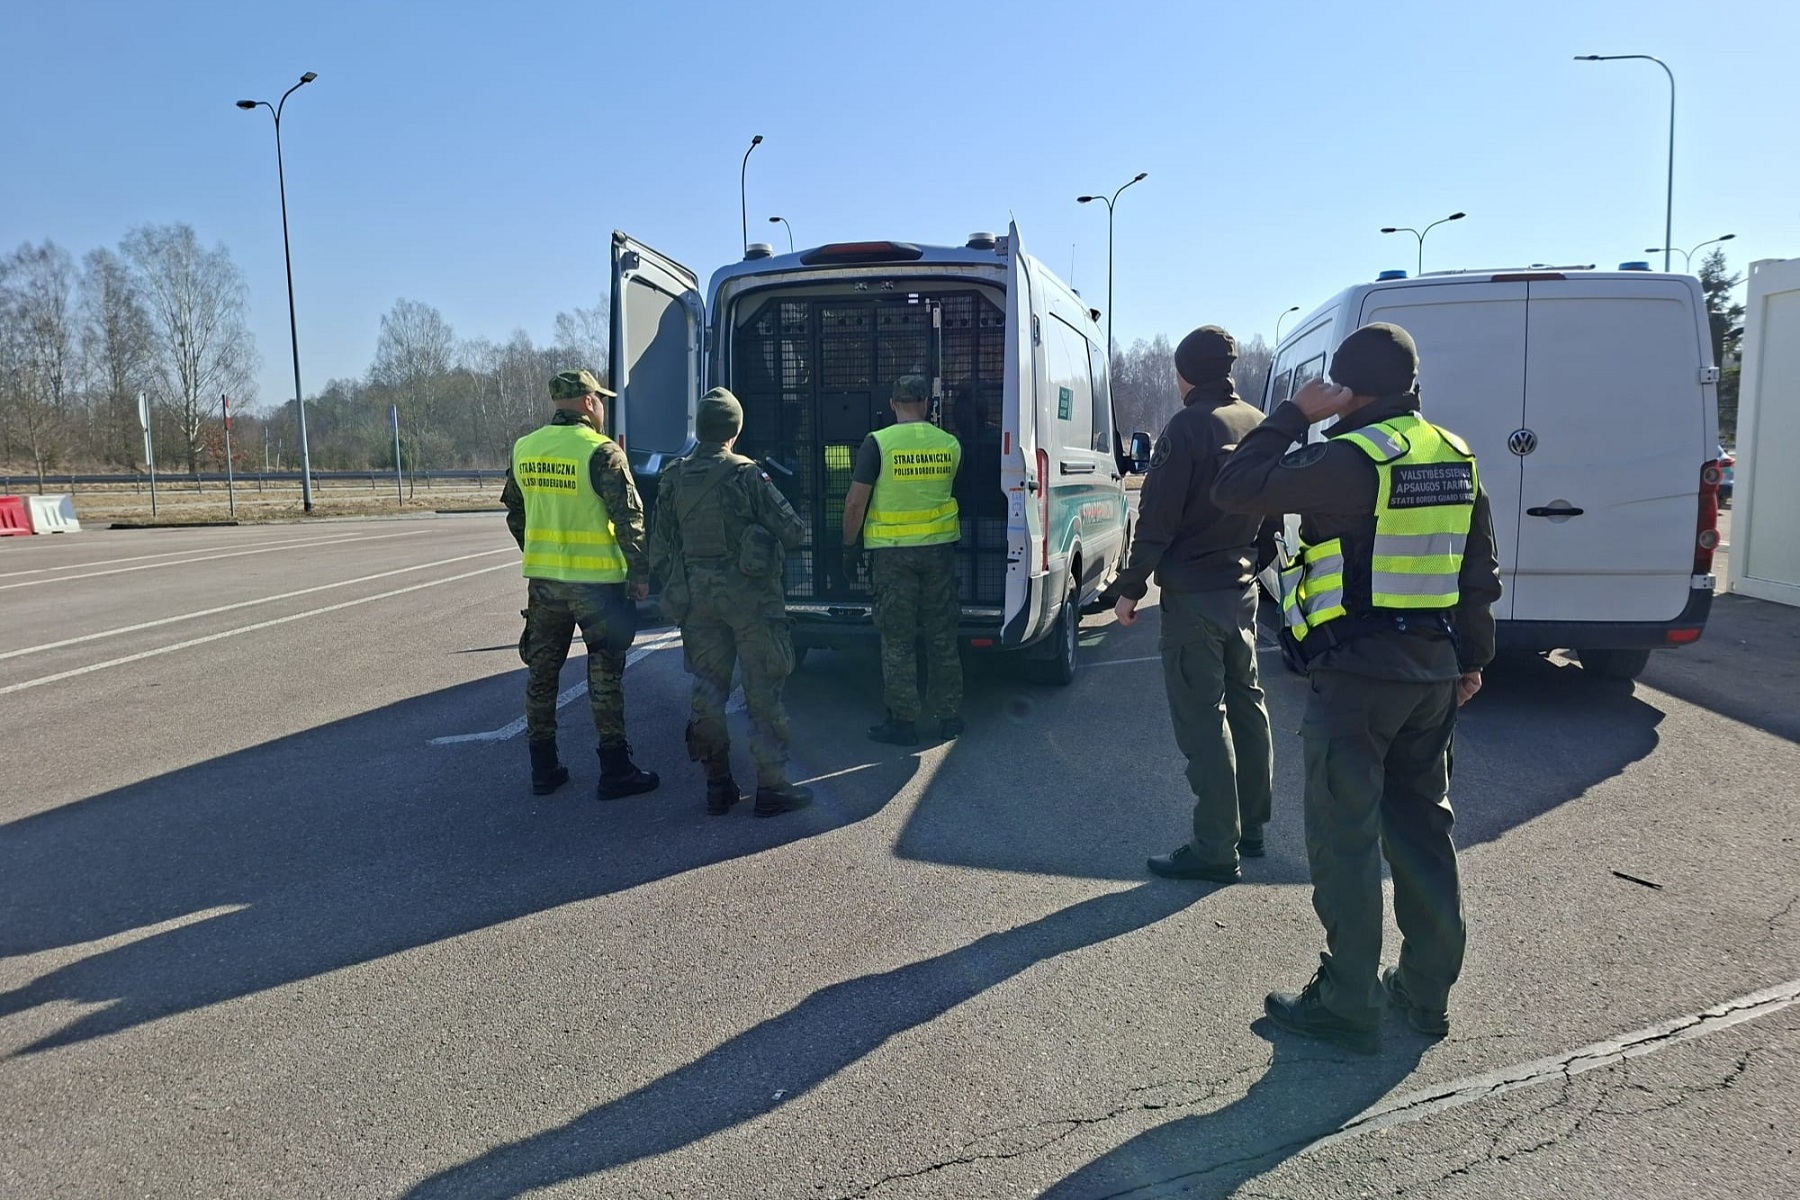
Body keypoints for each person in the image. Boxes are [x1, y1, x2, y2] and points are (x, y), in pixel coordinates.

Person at [1212, 323, 1502, 1055]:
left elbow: (1234, 488)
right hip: (1432, 673)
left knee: (1345, 838)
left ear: (1344, 389)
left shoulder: (1352, 457)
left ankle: (1348, 1001)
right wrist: (1472, 659)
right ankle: (1426, 993)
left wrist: (1292, 413)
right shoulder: (1454, 453)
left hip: (1358, 677)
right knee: (1424, 831)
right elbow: (1477, 572)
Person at [1109, 326, 1275, 885]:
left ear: (1184, 373)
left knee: (1203, 719)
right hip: (1241, 590)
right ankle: (1251, 828)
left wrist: (1131, 587)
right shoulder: (1258, 423)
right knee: (1247, 705)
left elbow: (1158, 517)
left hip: (1195, 595)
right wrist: (1250, 561)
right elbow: (1272, 514)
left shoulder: (1186, 428)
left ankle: (1214, 847)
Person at [648, 388, 814, 818]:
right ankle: (772, 786)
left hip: (697, 603)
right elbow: (793, 531)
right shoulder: (748, 475)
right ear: (734, 432)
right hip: (752, 602)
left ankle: (717, 785)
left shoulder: (672, 477)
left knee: (707, 693)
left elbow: (659, 549)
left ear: (699, 428)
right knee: (763, 691)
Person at [502, 368, 659, 801]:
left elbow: (515, 512)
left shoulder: (525, 447)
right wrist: (639, 574)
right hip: (598, 584)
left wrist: (536, 550)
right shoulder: (602, 452)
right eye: (600, 400)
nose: (602, 407)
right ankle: (615, 769)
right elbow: (630, 519)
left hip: (545, 583)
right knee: (605, 673)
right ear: (589, 402)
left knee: (542, 673)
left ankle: (543, 768)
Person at [841, 374, 964, 746]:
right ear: (926, 403)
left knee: (898, 638)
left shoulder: (878, 444)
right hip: (939, 553)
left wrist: (849, 546)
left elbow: (855, 503)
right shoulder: (950, 445)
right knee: (942, 636)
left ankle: (903, 722)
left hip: (892, 555)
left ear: (893, 404)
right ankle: (950, 717)